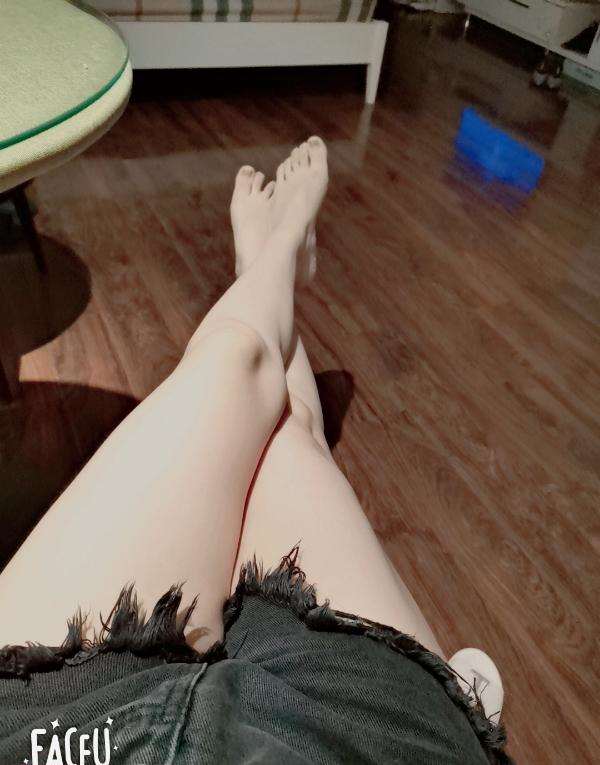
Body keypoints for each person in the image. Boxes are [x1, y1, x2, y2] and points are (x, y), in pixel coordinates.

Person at [0, 138, 512, 764]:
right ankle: (281, 252)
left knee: (240, 364)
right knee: (287, 431)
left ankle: (268, 264)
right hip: (348, 742)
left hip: (56, 738)